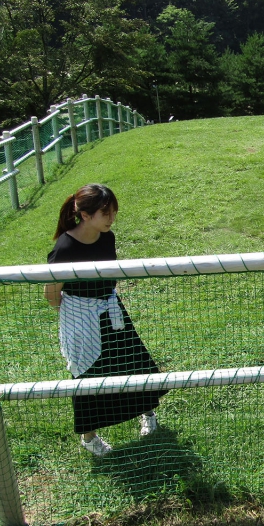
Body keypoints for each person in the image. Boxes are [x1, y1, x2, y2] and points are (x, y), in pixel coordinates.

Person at [44, 184, 166, 456]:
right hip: (81, 318)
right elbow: (51, 294)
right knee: (87, 375)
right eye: (105, 213)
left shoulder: (106, 237)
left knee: (132, 361)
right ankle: (90, 438)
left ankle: (147, 414)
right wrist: (78, 311)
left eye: (113, 212)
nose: (112, 219)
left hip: (111, 310)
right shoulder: (64, 248)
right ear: (85, 215)